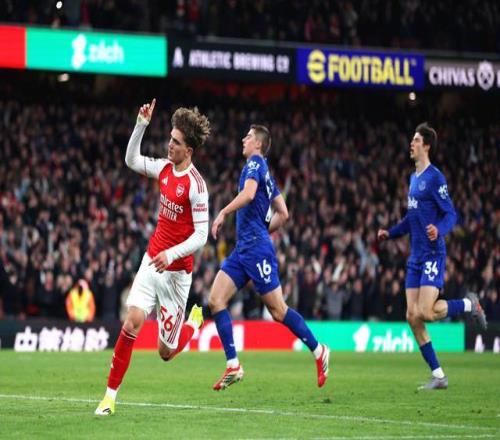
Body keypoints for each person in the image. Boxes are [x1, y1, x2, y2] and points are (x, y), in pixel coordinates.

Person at [95, 99, 211, 415]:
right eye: (170, 138)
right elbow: (131, 159)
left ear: (189, 150)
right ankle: (109, 399)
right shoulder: (163, 168)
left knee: (165, 352)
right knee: (132, 322)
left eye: (176, 142)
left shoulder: (197, 186)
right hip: (152, 260)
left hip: (176, 274)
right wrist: (140, 124)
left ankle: (193, 324)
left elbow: (201, 236)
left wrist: (171, 254)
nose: (169, 144)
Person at [209, 124, 330, 391]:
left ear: (259, 145)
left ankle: (319, 350)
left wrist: (223, 213)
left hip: (255, 249)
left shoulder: (255, 163)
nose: (243, 139)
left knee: (278, 310)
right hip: (244, 249)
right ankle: (233, 365)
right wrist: (263, 230)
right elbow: (283, 213)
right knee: (216, 300)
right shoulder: (267, 174)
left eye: (249, 136)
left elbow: (249, 194)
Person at [377, 122, 487, 390]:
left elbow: (451, 214)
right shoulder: (413, 179)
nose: (411, 144)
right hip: (415, 257)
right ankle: (439, 376)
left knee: (425, 311)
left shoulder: (435, 178)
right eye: (412, 140)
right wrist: (390, 233)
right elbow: (410, 218)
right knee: (411, 316)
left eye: (416, 140)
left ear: (426, 146)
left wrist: (439, 229)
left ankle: (470, 305)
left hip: (432, 254)